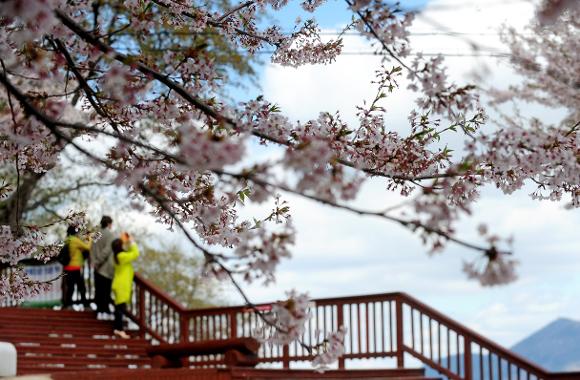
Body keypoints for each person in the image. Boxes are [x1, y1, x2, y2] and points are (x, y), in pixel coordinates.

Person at [111, 236, 139, 339]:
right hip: (122, 285)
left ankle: (118, 329)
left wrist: (127, 242)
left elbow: (130, 253)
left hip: (119, 284)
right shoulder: (122, 256)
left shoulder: (117, 256)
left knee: (119, 307)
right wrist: (131, 242)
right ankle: (119, 329)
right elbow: (135, 253)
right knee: (120, 308)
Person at [91, 216, 115, 319]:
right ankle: (105, 311)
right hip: (105, 267)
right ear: (109, 224)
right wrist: (98, 261)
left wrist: (94, 262)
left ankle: (99, 310)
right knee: (106, 290)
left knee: (98, 289)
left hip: (96, 267)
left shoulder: (96, 234)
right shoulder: (110, 235)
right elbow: (107, 251)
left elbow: (91, 249)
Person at [62, 225, 91, 309]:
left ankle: (68, 305)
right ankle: (85, 305)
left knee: (70, 287)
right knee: (81, 287)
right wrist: (90, 238)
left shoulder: (67, 240)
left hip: (67, 267)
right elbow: (87, 247)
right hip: (75, 267)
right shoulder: (75, 240)